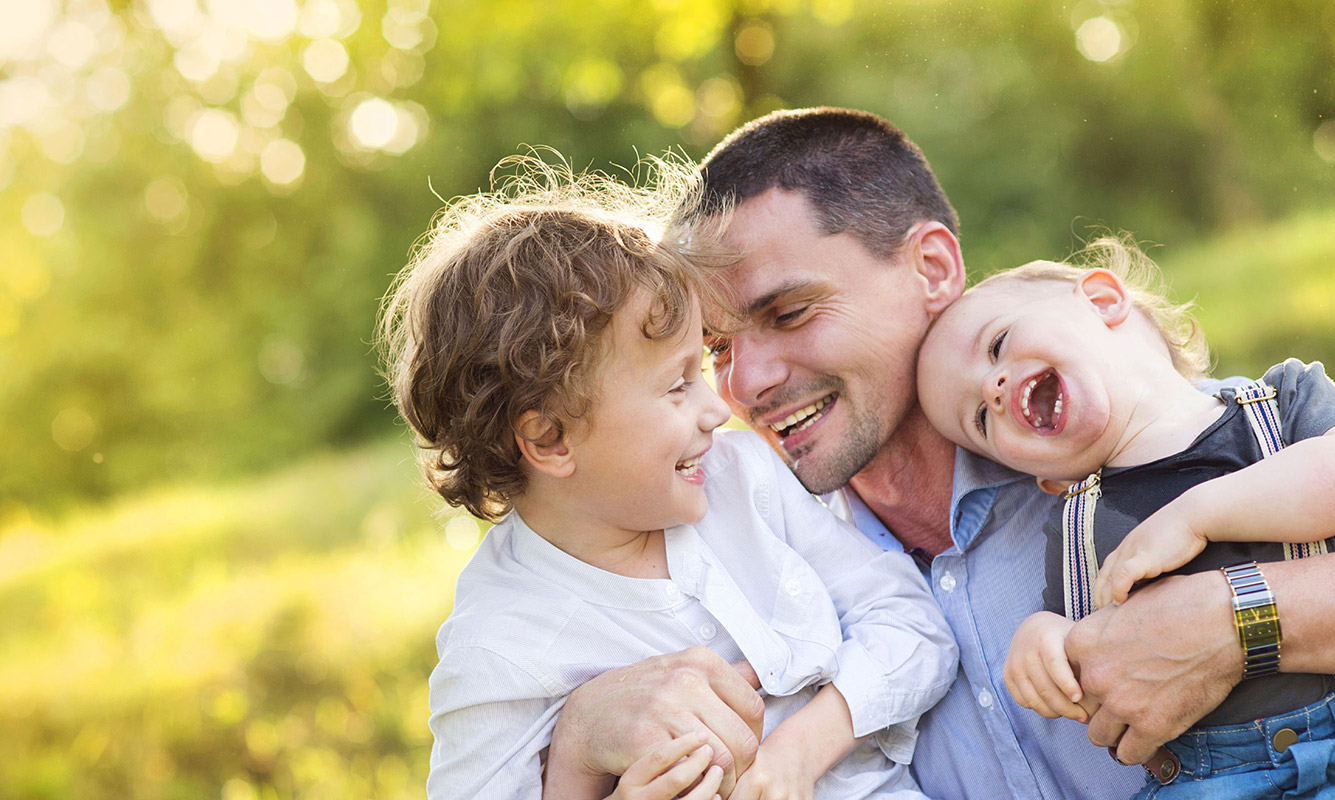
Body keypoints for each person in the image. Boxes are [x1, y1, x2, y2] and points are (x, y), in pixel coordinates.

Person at [543, 107, 1335, 800]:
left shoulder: (1182, 443)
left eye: (788, 312)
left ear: (930, 267)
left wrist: (1235, 617)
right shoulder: (756, 567)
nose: (747, 381)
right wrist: (579, 749)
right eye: (715, 350)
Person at [379, 157, 958, 800]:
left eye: (701, 367)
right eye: (677, 384)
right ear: (549, 438)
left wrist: (797, 752)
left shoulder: (741, 479)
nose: (719, 408)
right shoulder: (500, 644)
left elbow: (913, 622)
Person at [916, 244, 1335, 798]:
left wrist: (1198, 516)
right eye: (979, 422)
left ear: (1102, 299)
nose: (992, 389)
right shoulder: (1077, 521)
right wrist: (1041, 642)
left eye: (997, 345)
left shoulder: (1280, 404)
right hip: (1205, 785)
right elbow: (1093, 643)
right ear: (1044, 479)